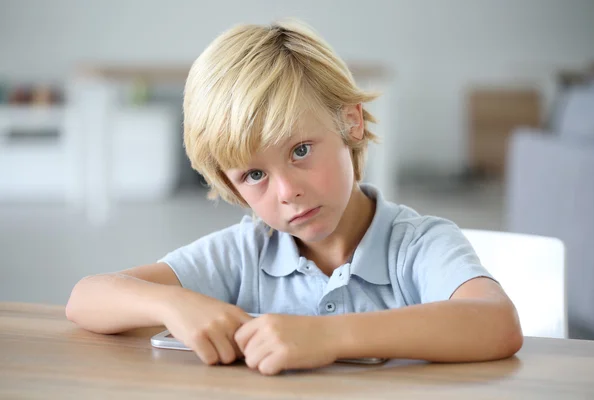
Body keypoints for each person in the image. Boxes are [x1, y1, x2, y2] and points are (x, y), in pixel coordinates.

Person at [66, 19, 523, 376]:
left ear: (351, 123)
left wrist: (326, 337)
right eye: (254, 175)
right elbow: (86, 298)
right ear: (231, 188)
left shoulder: (418, 245)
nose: (287, 192)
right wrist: (172, 303)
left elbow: (496, 324)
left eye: (300, 150)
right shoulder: (244, 253)